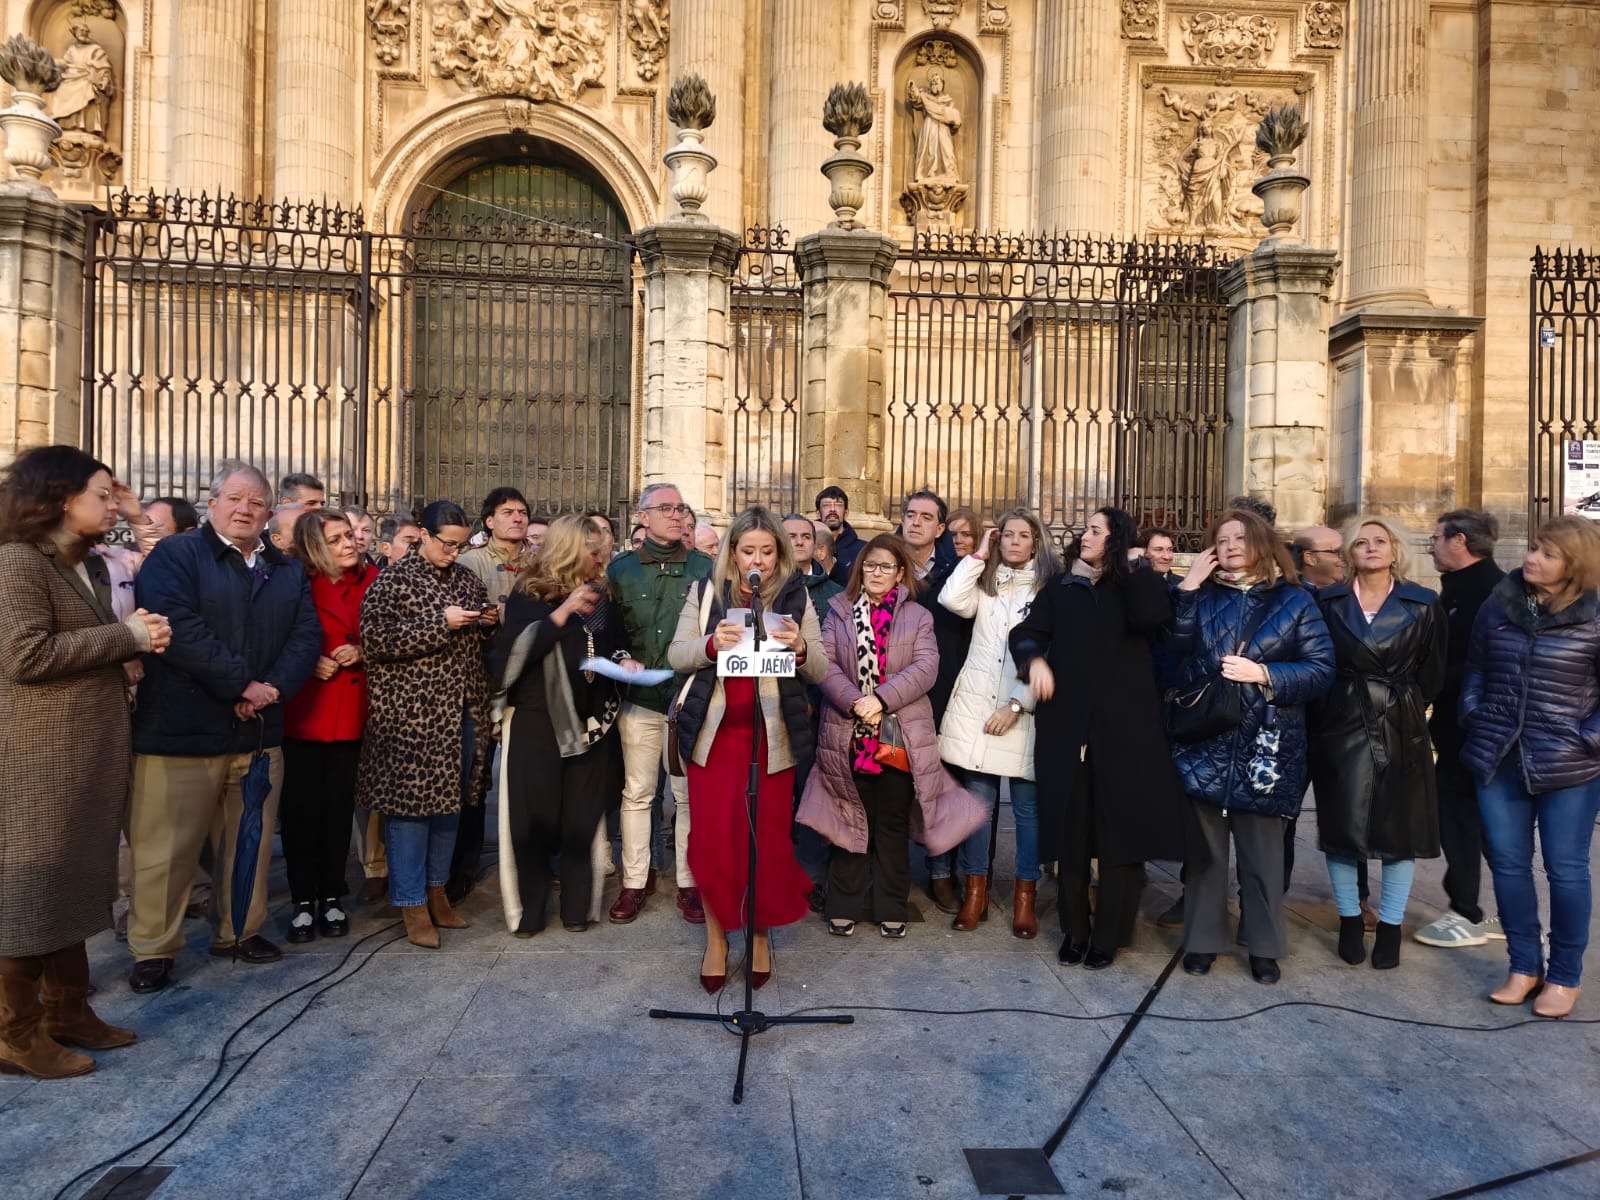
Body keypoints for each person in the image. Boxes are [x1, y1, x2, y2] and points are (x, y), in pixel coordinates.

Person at [0, 448, 170, 1078]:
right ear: (60, 497)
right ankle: (14, 1035)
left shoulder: (83, 564)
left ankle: (66, 1011)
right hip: (38, 761)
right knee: (30, 896)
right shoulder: (18, 562)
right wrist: (127, 638)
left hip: (84, 759)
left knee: (72, 888)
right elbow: (24, 655)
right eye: (102, 493)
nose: (111, 503)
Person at [125, 461, 322, 993]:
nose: (245, 510)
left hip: (256, 734)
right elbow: (177, 628)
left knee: (248, 845)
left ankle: (240, 932)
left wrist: (271, 688)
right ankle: (154, 948)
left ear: (269, 512)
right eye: (235, 499)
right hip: (181, 733)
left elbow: (306, 638)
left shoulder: (285, 569)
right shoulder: (177, 555)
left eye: (257, 502)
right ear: (212, 505)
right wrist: (243, 685)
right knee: (165, 852)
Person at [1166, 508, 1334, 985]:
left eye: (1240, 538)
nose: (1231, 546)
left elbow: (1322, 669)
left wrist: (1264, 674)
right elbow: (1173, 650)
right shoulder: (1200, 596)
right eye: (1221, 540)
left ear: (1261, 542)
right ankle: (1201, 940)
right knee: (1205, 855)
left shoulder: (1295, 601)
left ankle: (1264, 946)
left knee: (1262, 856)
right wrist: (1188, 586)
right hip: (1205, 737)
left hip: (1267, 742)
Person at [1010, 508, 1184, 967]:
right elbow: (1025, 633)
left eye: (1093, 530)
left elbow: (1154, 616)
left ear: (1114, 540)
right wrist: (1035, 661)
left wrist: (1134, 567)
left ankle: (1109, 935)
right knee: (1070, 839)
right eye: (1084, 528)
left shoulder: (1133, 588)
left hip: (1124, 736)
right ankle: (1074, 930)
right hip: (1067, 734)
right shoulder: (1062, 588)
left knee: (1118, 843)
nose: (1082, 535)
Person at [668, 508, 825, 990]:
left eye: (766, 551)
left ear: (779, 554)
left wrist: (798, 648)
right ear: (732, 554)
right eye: (747, 550)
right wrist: (712, 646)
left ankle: (757, 936)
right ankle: (717, 939)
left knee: (765, 843)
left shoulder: (797, 598)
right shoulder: (705, 592)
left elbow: (819, 668)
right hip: (716, 739)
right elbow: (676, 655)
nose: (757, 559)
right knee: (715, 842)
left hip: (771, 740)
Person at [799, 535, 987, 937]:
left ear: (900, 573)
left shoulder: (918, 616)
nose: (877, 573)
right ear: (859, 570)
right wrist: (854, 701)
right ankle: (844, 904)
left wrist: (880, 700)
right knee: (849, 817)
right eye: (870, 565)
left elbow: (925, 667)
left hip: (898, 734)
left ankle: (891, 906)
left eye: (886, 566)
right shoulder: (838, 612)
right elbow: (825, 665)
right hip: (846, 730)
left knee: (891, 823)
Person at [1461, 516, 1600, 1018]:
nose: (1531, 558)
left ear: (1574, 564)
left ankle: (1564, 976)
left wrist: (1588, 739)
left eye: (1546, 553)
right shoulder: (1499, 604)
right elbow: (1475, 667)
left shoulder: (1595, 614)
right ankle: (1523, 966)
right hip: (1499, 755)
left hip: (1569, 763)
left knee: (1565, 870)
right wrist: (1474, 713)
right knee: (1509, 865)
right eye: (1533, 547)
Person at [355, 501, 496, 949]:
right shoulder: (393, 580)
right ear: (424, 535)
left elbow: (472, 643)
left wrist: (486, 622)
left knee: (450, 805)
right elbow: (375, 640)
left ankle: (438, 891)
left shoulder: (467, 580)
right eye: (447, 544)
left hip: (462, 708)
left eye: (461, 545)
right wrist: (440, 622)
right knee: (411, 813)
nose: (454, 552)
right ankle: (411, 901)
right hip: (412, 715)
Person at [1308, 517, 1447, 969]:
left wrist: (1403, 702)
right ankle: (1350, 917)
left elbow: (1433, 673)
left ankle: (1390, 926)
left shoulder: (1423, 602)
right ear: (1348, 554)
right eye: (1360, 542)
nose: (1370, 548)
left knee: (1399, 831)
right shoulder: (1327, 601)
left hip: (1399, 720)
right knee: (1342, 826)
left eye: (1380, 541)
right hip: (1342, 719)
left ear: (1395, 551)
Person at [492, 515, 632, 936]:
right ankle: (529, 912)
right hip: (537, 721)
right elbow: (511, 657)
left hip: (589, 723)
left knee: (582, 819)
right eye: (592, 550)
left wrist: (624, 659)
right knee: (533, 822)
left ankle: (577, 910)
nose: (599, 558)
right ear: (571, 551)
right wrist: (561, 614)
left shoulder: (599, 596)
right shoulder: (528, 595)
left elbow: (612, 641)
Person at [938, 509, 1060, 936]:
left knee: (1027, 811)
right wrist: (978, 555)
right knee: (979, 809)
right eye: (1006, 535)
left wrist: (1016, 705)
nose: (1013, 542)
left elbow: (1052, 656)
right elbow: (951, 599)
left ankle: (1025, 898)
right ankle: (976, 895)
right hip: (976, 705)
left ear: (1035, 542)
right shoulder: (986, 584)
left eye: (1022, 535)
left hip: (1022, 710)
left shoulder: (1049, 589)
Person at [605, 483, 714, 924]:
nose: (675, 515)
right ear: (642, 517)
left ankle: (688, 883)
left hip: (691, 700)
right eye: (665, 508)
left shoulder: (707, 567)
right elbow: (608, 631)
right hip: (641, 701)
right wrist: (620, 657)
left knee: (688, 796)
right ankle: (635, 880)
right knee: (637, 793)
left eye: (680, 507)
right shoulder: (621, 570)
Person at [279, 510, 377, 943]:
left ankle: (333, 895)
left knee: (339, 811)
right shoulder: (293, 582)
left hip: (354, 709)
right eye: (336, 539)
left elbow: (390, 632)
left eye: (350, 536)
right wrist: (306, 662)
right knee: (301, 813)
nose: (349, 545)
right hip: (306, 709)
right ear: (315, 547)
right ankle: (302, 900)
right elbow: (273, 636)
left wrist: (361, 650)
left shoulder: (373, 579)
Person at [1415, 509, 1506, 949]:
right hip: (1465, 723)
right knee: (1482, 822)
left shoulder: (1486, 593)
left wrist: (1422, 689)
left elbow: (1473, 663)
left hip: (1471, 726)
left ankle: (1467, 912)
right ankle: (1507, 912)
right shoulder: (1467, 589)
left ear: (1460, 542)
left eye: (1436, 537)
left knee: (1462, 817)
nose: (1430, 545)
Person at [451, 487, 531, 899]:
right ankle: (463, 866)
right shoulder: (469, 562)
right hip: (482, 682)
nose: (516, 518)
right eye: (507, 512)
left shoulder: (539, 563)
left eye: (521, 512)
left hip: (527, 684)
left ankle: (528, 860)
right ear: (489, 521)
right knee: (475, 776)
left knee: (526, 776)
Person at [785, 512, 843, 616]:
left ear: (814, 545)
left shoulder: (837, 594)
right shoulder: (766, 587)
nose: (799, 542)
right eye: (792, 536)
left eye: (806, 537)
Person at [817, 485, 864, 585]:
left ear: (846, 513)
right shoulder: (808, 547)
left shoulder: (863, 549)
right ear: (818, 513)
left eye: (838, 505)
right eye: (826, 505)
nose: (832, 510)